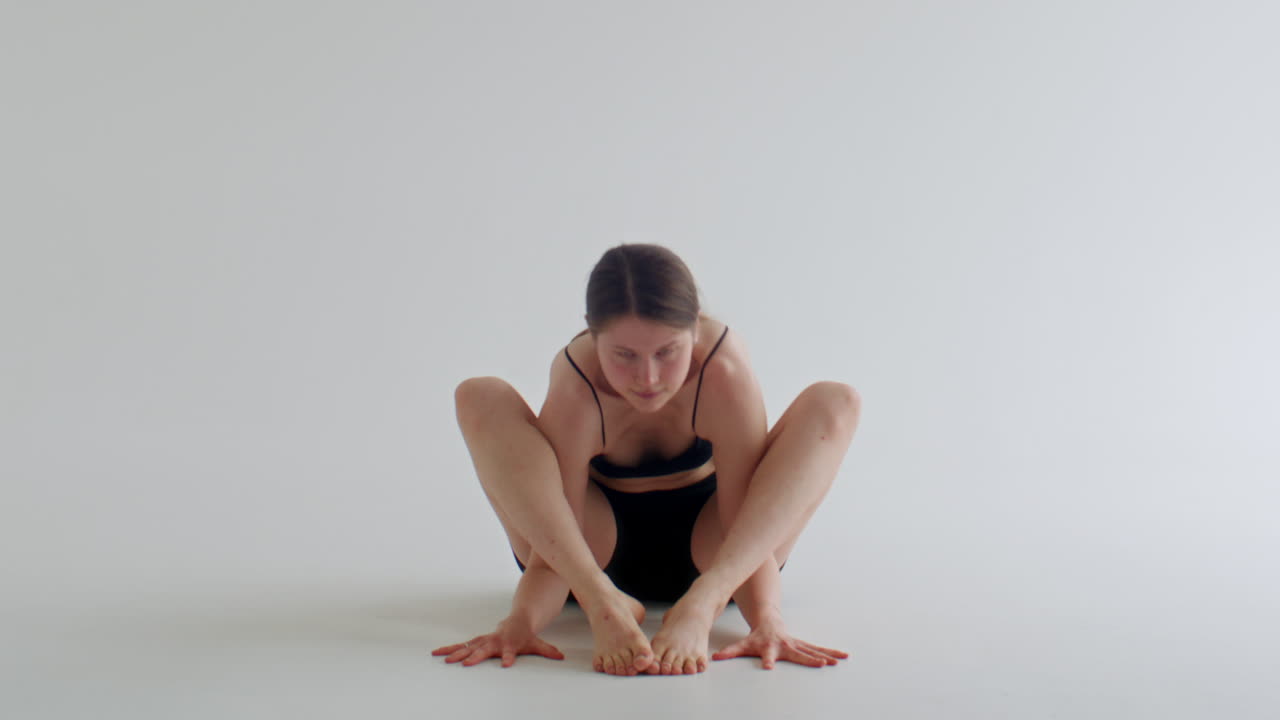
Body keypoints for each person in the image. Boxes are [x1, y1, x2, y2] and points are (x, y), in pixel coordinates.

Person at [433, 244, 861, 675]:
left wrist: (748, 615)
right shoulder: (576, 384)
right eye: (624, 356)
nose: (648, 378)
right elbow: (551, 549)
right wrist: (524, 622)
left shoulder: (723, 369)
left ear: (694, 327)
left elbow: (744, 523)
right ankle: (607, 603)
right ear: (593, 334)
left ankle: (698, 600)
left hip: (717, 553)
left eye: (667, 352)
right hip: (586, 561)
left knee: (836, 401)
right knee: (478, 394)